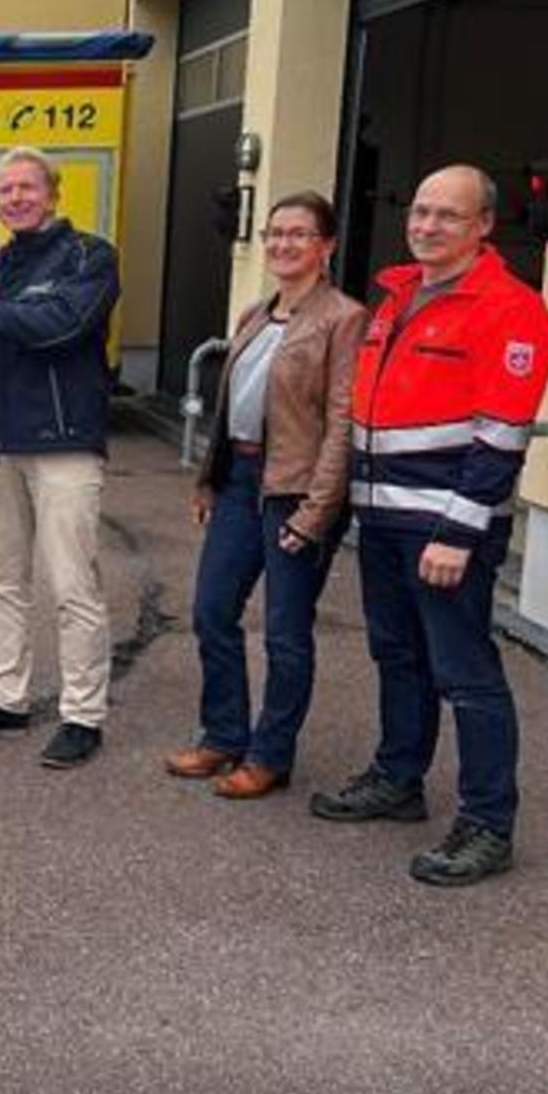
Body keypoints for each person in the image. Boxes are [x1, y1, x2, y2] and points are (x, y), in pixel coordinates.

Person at [310, 165, 548, 886]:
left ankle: (488, 823)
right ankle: (398, 776)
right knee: (398, 655)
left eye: (448, 215)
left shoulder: (510, 308)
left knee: (467, 673)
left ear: (484, 225)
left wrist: (459, 531)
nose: (427, 225)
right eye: (420, 211)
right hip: (383, 519)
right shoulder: (399, 296)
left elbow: (503, 433)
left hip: (445, 527)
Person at [0, 146, 120, 769]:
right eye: (4, 190)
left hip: (61, 443)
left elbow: (56, 324)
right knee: (1, 579)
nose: (15, 199)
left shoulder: (89, 255)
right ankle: (7, 697)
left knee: (72, 584)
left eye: (26, 188)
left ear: (53, 193)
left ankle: (83, 715)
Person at [166, 192, 367, 798]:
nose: (283, 244)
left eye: (299, 234)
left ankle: (271, 755)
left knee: (284, 631)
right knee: (212, 612)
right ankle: (224, 734)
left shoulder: (343, 318)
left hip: (296, 491)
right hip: (240, 480)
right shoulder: (256, 312)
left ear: (326, 245)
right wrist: (208, 478)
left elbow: (341, 422)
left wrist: (316, 512)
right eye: (276, 232)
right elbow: (230, 410)